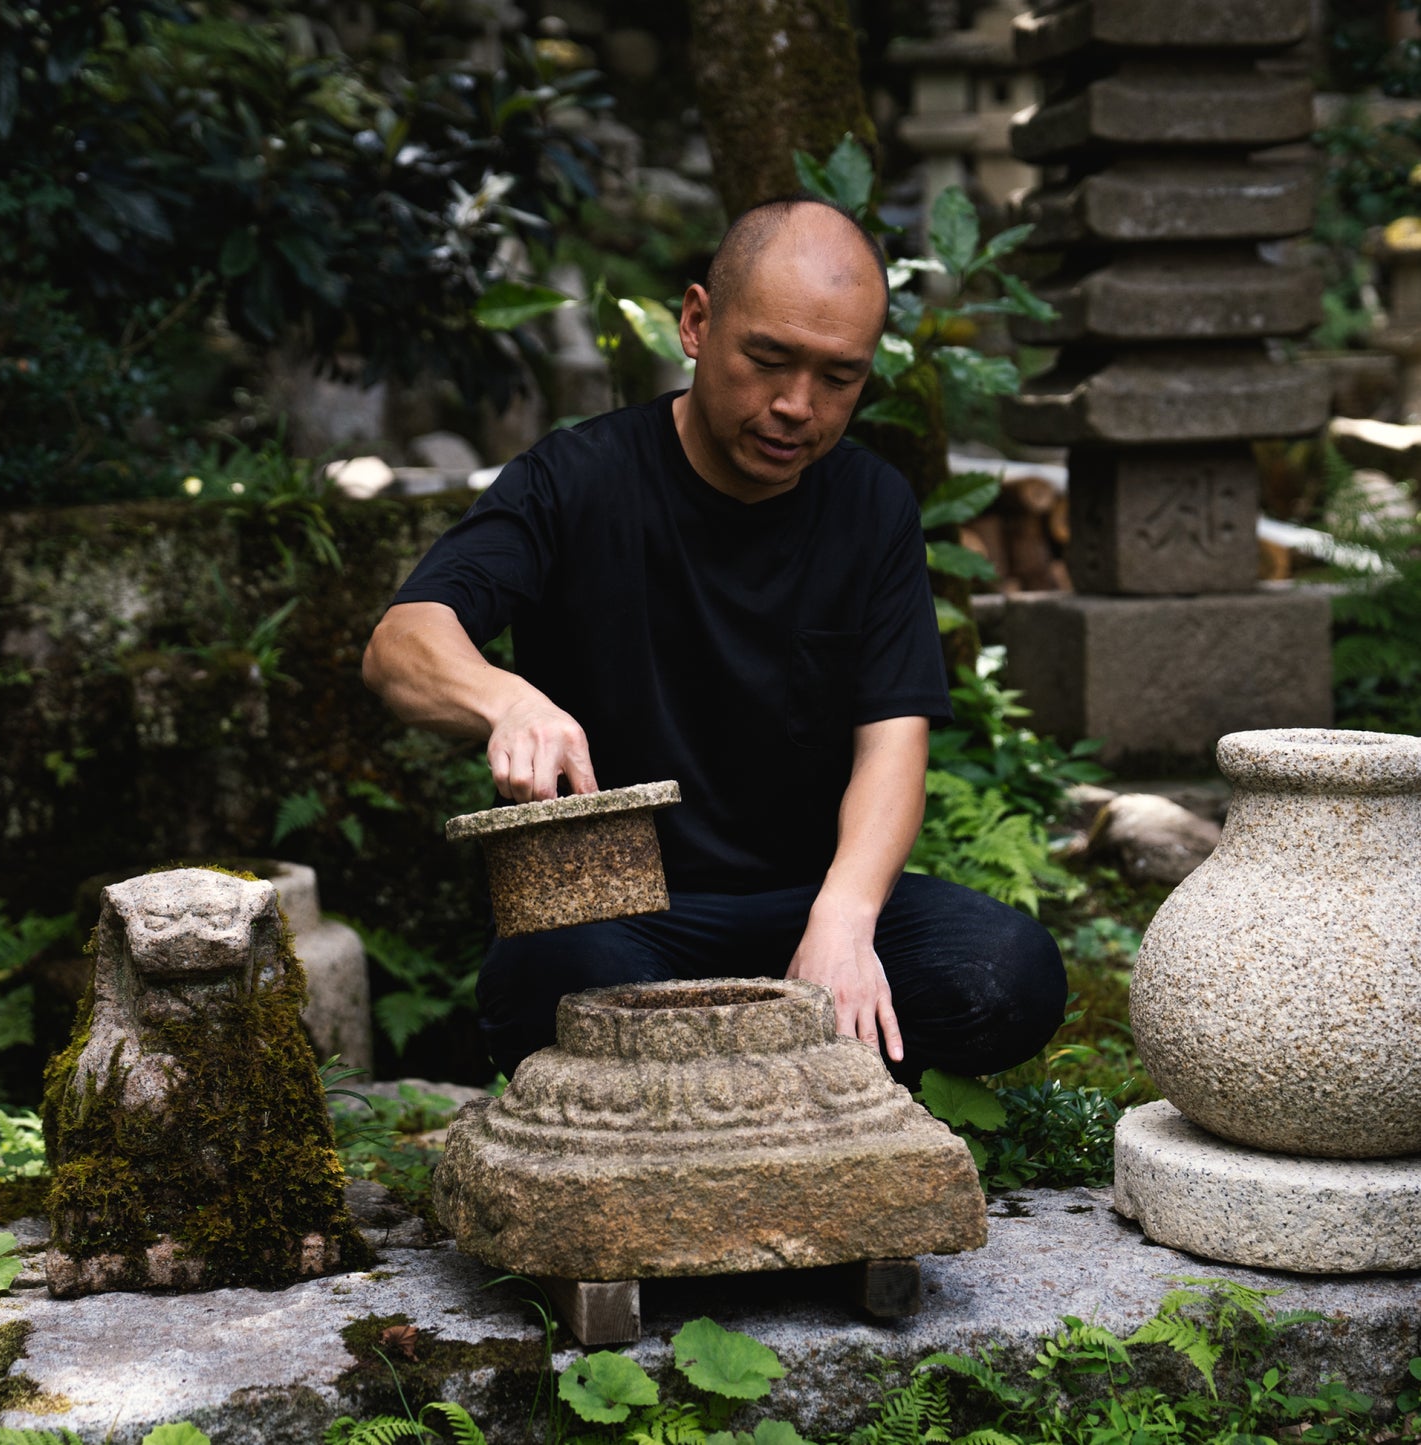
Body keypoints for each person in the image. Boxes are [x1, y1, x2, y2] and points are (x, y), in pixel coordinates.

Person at [363, 195, 1066, 1086]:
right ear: (697, 322)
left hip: (804, 901)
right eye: (766, 360)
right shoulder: (575, 480)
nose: (794, 406)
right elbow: (401, 643)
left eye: (838, 379)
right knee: (551, 981)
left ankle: (717, 1088)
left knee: (1007, 972)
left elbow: (894, 740)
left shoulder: (869, 504)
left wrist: (845, 921)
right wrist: (507, 699)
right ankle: (797, 1091)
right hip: (617, 910)